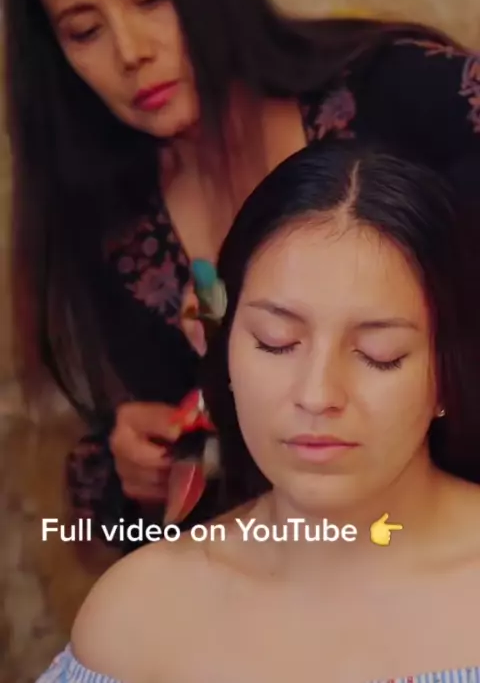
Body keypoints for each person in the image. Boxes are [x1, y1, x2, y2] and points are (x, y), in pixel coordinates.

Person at [3, 0, 480, 552]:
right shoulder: (116, 234)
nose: (130, 52)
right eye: (85, 31)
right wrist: (134, 462)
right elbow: (190, 472)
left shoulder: (403, 95)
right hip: (312, 566)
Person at [35, 140, 480, 682]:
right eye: (276, 342)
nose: (317, 394)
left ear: (447, 371)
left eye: (378, 354)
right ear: (224, 348)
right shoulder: (138, 620)